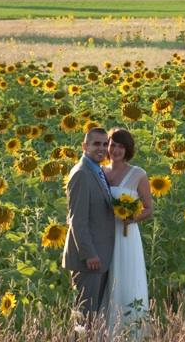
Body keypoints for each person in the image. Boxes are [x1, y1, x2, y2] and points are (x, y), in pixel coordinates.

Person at [103, 127, 153, 335]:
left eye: (121, 146)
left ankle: (131, 333)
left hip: (126, 235)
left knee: (126, 280)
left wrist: (131, 218)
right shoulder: (101, 171)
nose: (115, 150)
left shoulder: (137, 174)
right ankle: (105, 332)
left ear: (128, 149)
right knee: (105, 282)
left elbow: (149, 209)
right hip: (104, 234)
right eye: (112, 145)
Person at [63, 128, 117, 321]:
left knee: (94, 318)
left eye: (105, 144)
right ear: (85, 146)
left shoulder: (97, 171)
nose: (102, 148)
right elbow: (77, 219)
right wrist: (89, 254)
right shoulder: (82, 173)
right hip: (89, 260)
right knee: (85, 319)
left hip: (101, 256)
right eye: (96, 144)